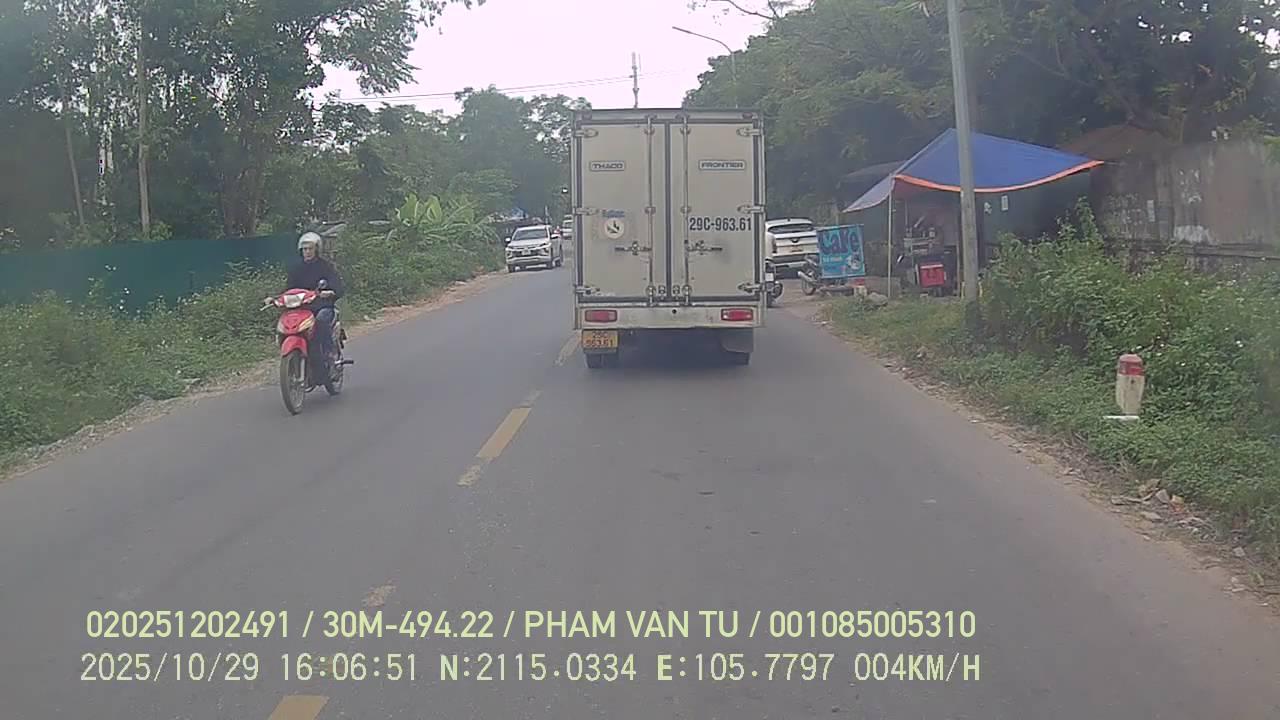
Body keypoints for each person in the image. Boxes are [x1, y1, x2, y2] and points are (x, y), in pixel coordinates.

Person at [273, 232, 345, 365]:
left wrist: (330, 292)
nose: (307, 252)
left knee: (321, 320)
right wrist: (275, 298)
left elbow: (337, 285)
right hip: (302, 307)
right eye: (305, 249)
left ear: (317, 249)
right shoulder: (296, 269)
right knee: (287, 321)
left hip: (321, 305)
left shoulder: (326, 266)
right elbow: (289, 288)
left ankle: (329, 352)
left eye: (310, 249)